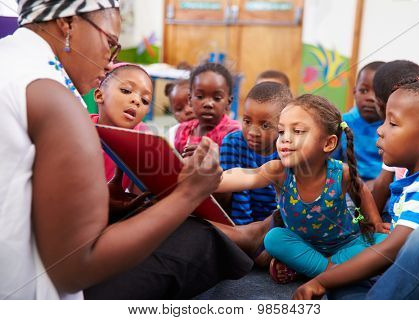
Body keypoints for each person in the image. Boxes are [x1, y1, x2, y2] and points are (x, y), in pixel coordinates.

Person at [0, 1, 262, 300]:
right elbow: (73, 271)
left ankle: (245, 237)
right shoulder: (55, 99)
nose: (110, 62)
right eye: (110, 43)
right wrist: (190, 193)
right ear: (68, 24)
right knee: (197, 236)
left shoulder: (9, 62)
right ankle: (246, 239)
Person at [293, 75, 419, 300]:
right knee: (346, 279)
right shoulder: (418, 179)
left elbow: (389, 251)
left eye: (392, 123)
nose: (380, 130)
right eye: (383, 121)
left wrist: (320, 281)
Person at [216, 94, 389, 284]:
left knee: (385, 242)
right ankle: (332, 271)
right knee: (274, 238)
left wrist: (375, 222)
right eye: (281, 132)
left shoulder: (341, 173)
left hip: (346, 244)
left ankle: (313, 268)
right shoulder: (279, 172)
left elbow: (361, 190)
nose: (285, 139)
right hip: (303, 245)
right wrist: (210, 180)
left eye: (297, 131)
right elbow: (244, 176)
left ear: (328, 143)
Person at [219, 81, 292, 225]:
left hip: (276, 223)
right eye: (247, 121)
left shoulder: (288, 148)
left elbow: (286, 204)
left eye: (265, 125)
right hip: (240, 223)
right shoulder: (233, 143)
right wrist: (243, 232)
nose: (252, 132)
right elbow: (239, 195)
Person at [371, 60, 419, 213]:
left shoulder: (398, 140)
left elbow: (382, 184)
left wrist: (369, 222)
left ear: (380, 104)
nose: (380, 131)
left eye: (393, 123)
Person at [333, 61, 385, 182]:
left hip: (383, 187)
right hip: (348, 184)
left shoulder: (392, 126)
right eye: (364, 91)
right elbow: (332, 163)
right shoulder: (343, 123)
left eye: (377, 92)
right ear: (354, 92)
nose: (370, 98)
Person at [175, 62, 240, 157]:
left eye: (217, 98)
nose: (208, 104)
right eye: (200, 96)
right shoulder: (183, 131)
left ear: (228, 102)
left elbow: (238, 166)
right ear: (190, 99)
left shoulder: (233, 133)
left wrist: (212, 155)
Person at [164, 79, 195, 146]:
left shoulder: (216, 130)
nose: (187, 110)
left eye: (191, 103)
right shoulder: (172, 134)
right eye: (179, 109)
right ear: (173, 113)